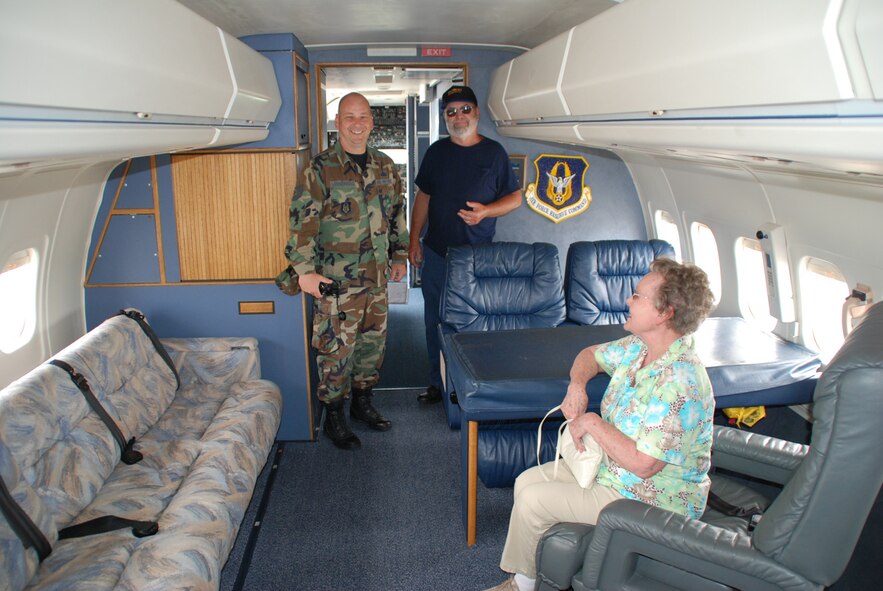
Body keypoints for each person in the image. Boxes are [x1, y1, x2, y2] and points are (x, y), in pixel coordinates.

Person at [484, 258, 716, 591]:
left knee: (535, 502)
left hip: (651, 497)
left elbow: (645, 465)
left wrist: (592, 422)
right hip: (614, 471)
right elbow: (589, 354)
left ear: (665, 313)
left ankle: (523, 586)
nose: (627, 301)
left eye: (637, 297)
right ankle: (537, 573)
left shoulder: (680, 381)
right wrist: (576, 385)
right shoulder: (639, 347)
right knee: (525, 482)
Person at [283, 92, 408, 450]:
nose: (357, 124)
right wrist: (304, 271)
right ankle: (335, 413)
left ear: (372, 122)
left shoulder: (385, 166)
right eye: (349, 117)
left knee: (371, 347)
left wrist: (399, 255)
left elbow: (397, 213)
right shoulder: (320, 169)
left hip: (377, 280)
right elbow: (301, 223)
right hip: (337, 283)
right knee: (336, 351)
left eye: (363, 117)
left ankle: (363, 403)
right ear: (338, 123)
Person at [408, 85, 522, 404]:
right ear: (445, 117)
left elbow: (515, 197)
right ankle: (438, 383)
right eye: (451, 112)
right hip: (437, 252)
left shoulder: (494, 153)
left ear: (477, 113)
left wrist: (486, 211)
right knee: (435, 321)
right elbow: (423, 198)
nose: (459, 117)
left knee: (471, 323)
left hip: (477, 258)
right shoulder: (436, 152)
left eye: (465, 110)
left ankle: (472, 384)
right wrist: (413, 240)